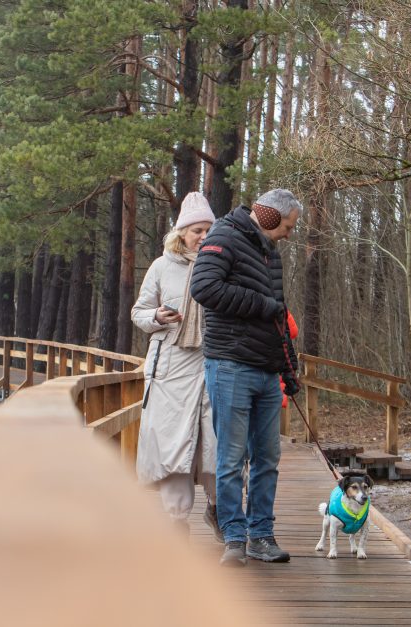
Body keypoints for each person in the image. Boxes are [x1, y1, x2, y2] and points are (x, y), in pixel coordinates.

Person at [190, 188, 302, 567]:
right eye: (287, 226)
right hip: (230, 365)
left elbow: (278, 314)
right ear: (269, 217)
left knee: (268, 456)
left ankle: (261, 536)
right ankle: (234, 538)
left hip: (268, 370)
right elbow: (204, 288)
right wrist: (259, 305)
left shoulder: (271, 251)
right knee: (231, 457)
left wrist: (289, 367)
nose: (288, 233)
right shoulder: (223, 236)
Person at [131, 192, 221, 540]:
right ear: (182, 232)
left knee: (216, 442)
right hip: (170, 367)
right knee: (175, 447)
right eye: (197, 229)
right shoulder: (161, 266)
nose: (203, 235)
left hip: (213, 362)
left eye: (208, 229)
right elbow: (139, 312)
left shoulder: (223, 264)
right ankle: (176, 520)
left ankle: (218, 510)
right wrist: (157, 316)